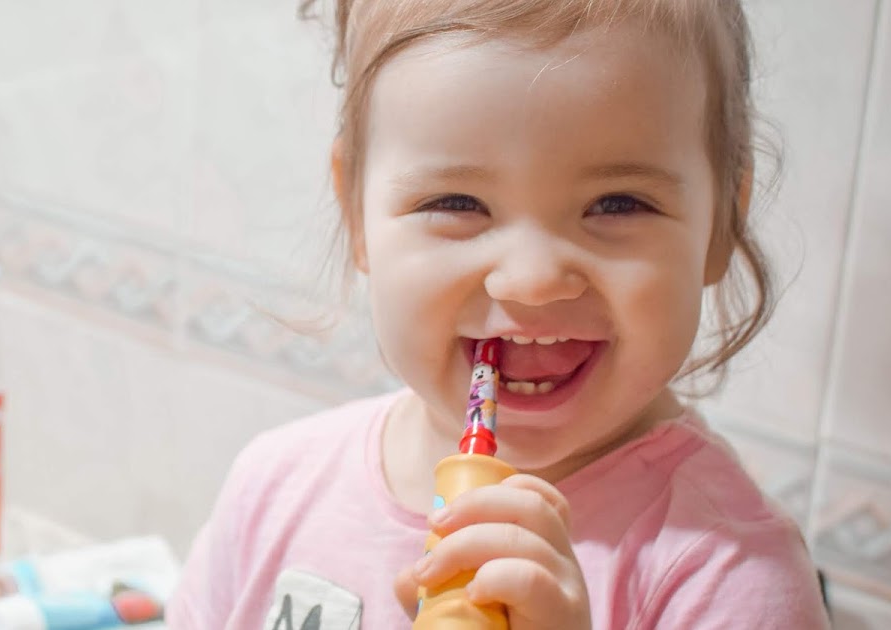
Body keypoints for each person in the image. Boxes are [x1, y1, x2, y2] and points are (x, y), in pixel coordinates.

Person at [166, 0, 832, 628]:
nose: (533, 281)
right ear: (355, 213)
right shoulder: (274, 489)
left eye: (619, 203)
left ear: (723, 222)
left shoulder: (732, 580)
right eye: (457, 201)